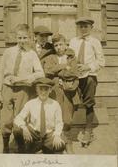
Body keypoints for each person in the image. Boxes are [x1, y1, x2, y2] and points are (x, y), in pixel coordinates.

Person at [0, 24, 45, 153]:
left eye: (25, 38)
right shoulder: (8, 52)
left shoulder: (32, 54)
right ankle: (5, 145)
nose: (22, 40)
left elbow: (40, 73)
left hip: (23, 90)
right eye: (19, 37)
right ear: (16, 37)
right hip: (7, 88)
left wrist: (21, 78)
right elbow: (0, 72)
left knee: (20, 119)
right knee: (5, 119)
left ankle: (20, 146)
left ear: (30, 38)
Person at [69, 16, 105, 146]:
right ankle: (68, 129)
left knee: (89, 102)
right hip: (75, 76)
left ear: (91, 27)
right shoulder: (73, 41)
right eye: (81, 26)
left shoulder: (95, 42)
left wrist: (88, 67)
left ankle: (88, 130)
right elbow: (69, 57)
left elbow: (101, 61)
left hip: (89, 75)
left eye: (86, 26)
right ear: (78, 28)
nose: (83, 29)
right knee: (71, 101)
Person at [14, 77, 65, 154]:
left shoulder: (55, 105)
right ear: (37, 90)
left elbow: (59, 122)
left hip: (48, 135)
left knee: (60, 145)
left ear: (50, 90)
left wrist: (57, 135)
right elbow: (18, 118)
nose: (43, 92)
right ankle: (24, 150)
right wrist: (24, 128)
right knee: (17, 131)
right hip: (34, 134)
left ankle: (44, 148)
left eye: (46, 89)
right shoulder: (30, 103)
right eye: (41, 89)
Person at [43, 34, 80, 131]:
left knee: (67, 117)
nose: (58, 47)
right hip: (55, 90)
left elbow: (73, 72)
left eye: (60, 44)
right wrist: (63, 66)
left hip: (68, 89)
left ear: (65, 44)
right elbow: (47, 71)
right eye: (56, 45)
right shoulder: (50, 57)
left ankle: (66, 137)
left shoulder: (71, 57)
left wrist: (57, 74)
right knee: (55, 112)